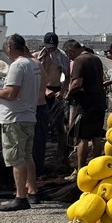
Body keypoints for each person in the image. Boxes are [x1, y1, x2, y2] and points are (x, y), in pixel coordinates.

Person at [0, 33, 41, 212]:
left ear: (10, 48)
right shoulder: (32, 65)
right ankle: (32, 191)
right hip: (27, 116)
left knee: (16, 159)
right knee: (27, 156)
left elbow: (11, 93)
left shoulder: (17, 66)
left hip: (15, 119)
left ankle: (20, 196)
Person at [63, 40, 107, 171]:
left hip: (85, 104)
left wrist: (68, 95)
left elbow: (77, 83)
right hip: (99, 102)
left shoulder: (79, 61)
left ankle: (81, 169)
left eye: (67, 54)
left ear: (71, 50)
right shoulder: (96, 59)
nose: (68, 57)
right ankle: (96, 167)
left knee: (82, 138)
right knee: (97, 136)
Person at [34, 32, 69, 179]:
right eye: (48, 47)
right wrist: (44, 90)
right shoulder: (38, 56)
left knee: (59, 124)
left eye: (52, 47)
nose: (50, 50)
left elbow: (68, 76)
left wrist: (62, 91)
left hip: (55, 91)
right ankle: (38, 156)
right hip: (42, 91)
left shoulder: (61, 57)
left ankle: (62, 155)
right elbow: (36, 76)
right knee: (40, 124)